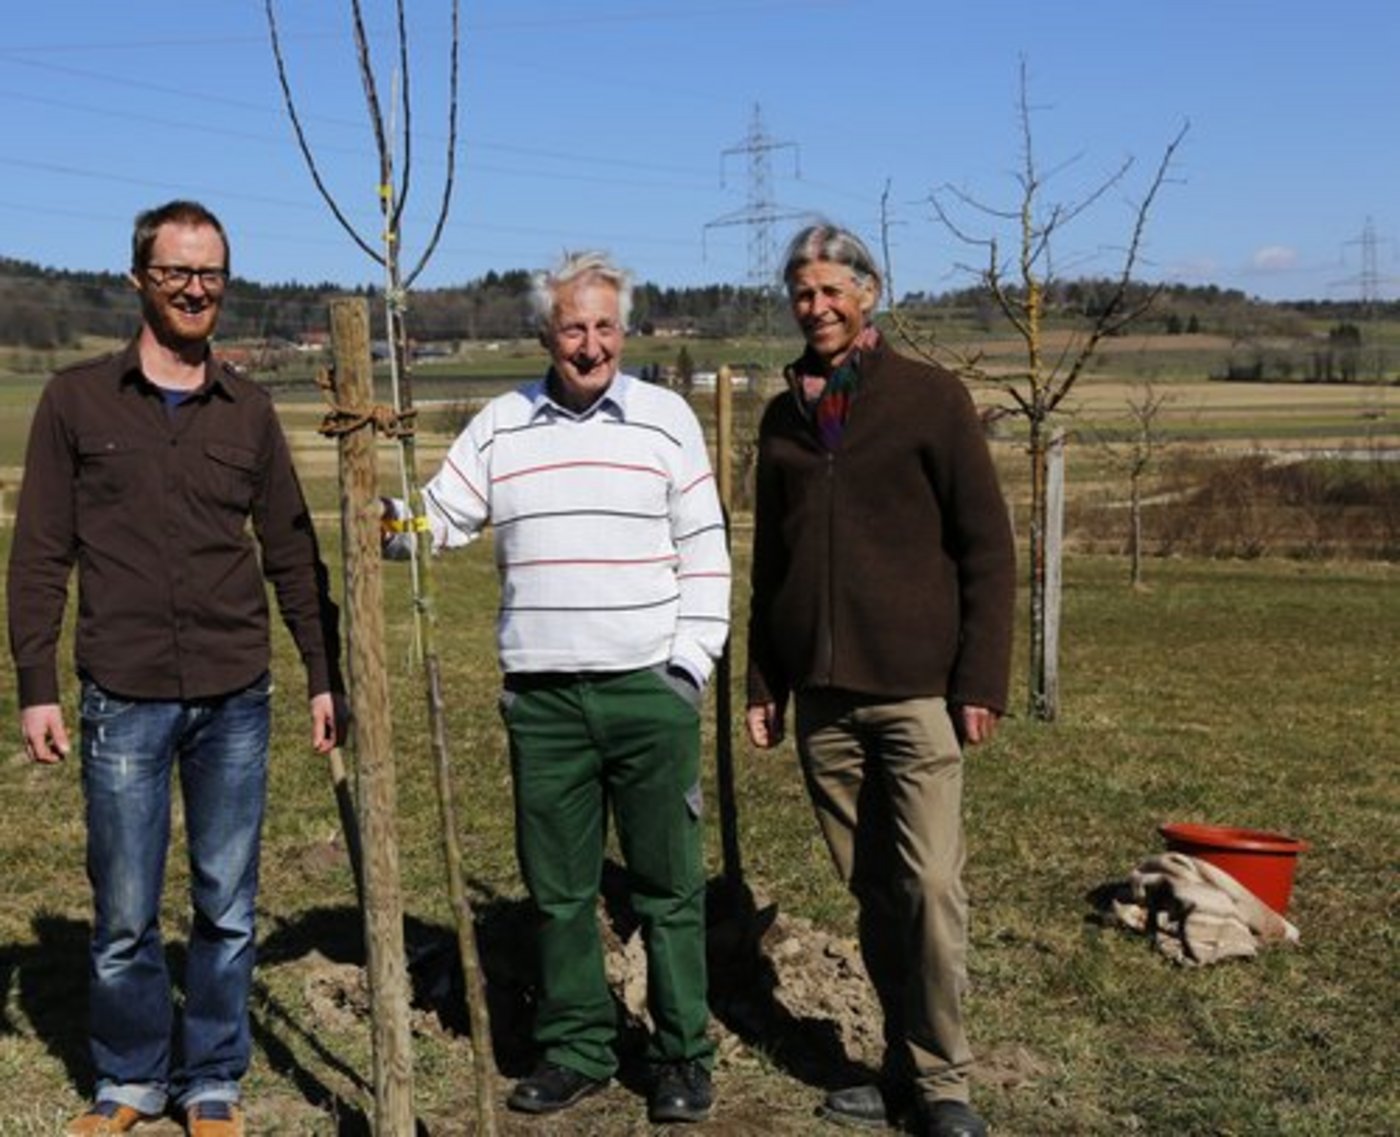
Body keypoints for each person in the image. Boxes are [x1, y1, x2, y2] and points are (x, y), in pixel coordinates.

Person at [8, 200, 341, 1137]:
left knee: (226, 905)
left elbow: (289, 548)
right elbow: (39, 552)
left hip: (236, 692)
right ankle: (129, 1079)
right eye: (176, 273)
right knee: (121, 911)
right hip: (124, 692)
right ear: (139, 280)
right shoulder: (75, 401)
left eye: (211, 275)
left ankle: (210, 1081)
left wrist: (322, 670)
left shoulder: (253, 409)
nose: (195, 289)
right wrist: (36, 682)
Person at [387, 250, 730, 1123]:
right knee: (559, 889)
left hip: (647, 691)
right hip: (543, 704)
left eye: (605, 326)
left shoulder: (665, 420)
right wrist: (385, 505)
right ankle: (577, 1045)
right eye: (573, 327)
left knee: (669, 888)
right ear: (546, 332)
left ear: (625, 330)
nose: (590, 344)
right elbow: (439, 518)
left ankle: (682, 1053)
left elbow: (705, 546)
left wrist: (688, 667)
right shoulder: (505, 425)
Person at [745, 223, 1015, 1137]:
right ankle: (900, 1060)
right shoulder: (783, 414)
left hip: (916, 692)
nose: (815, 307)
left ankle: (946, 1083)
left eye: (831, 290)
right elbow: (770, 563)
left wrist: (980, 677)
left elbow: (986, 546)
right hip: (821, 699)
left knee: (932, 883)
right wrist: (762, 679)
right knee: (875, 892)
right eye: (801, 292)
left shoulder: (931, 398)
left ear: (870, 293)